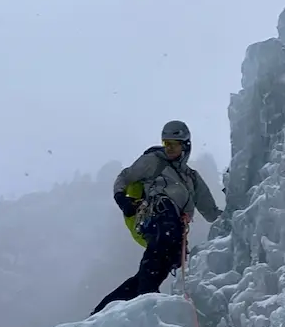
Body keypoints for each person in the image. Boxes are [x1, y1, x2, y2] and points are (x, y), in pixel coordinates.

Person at [90, 120, 223, 315]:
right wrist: (122, 198)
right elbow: (125, 177)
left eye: (173, 144)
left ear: (185, 145)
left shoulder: (191, 178)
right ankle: (147, 298)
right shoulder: (153, 161)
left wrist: (236, 206)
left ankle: (104, 311)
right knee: (160, 245)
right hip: (157, 214)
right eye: (165, 143)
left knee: (156, 269)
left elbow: (211, 212)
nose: (168, 148)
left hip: (176, 229)